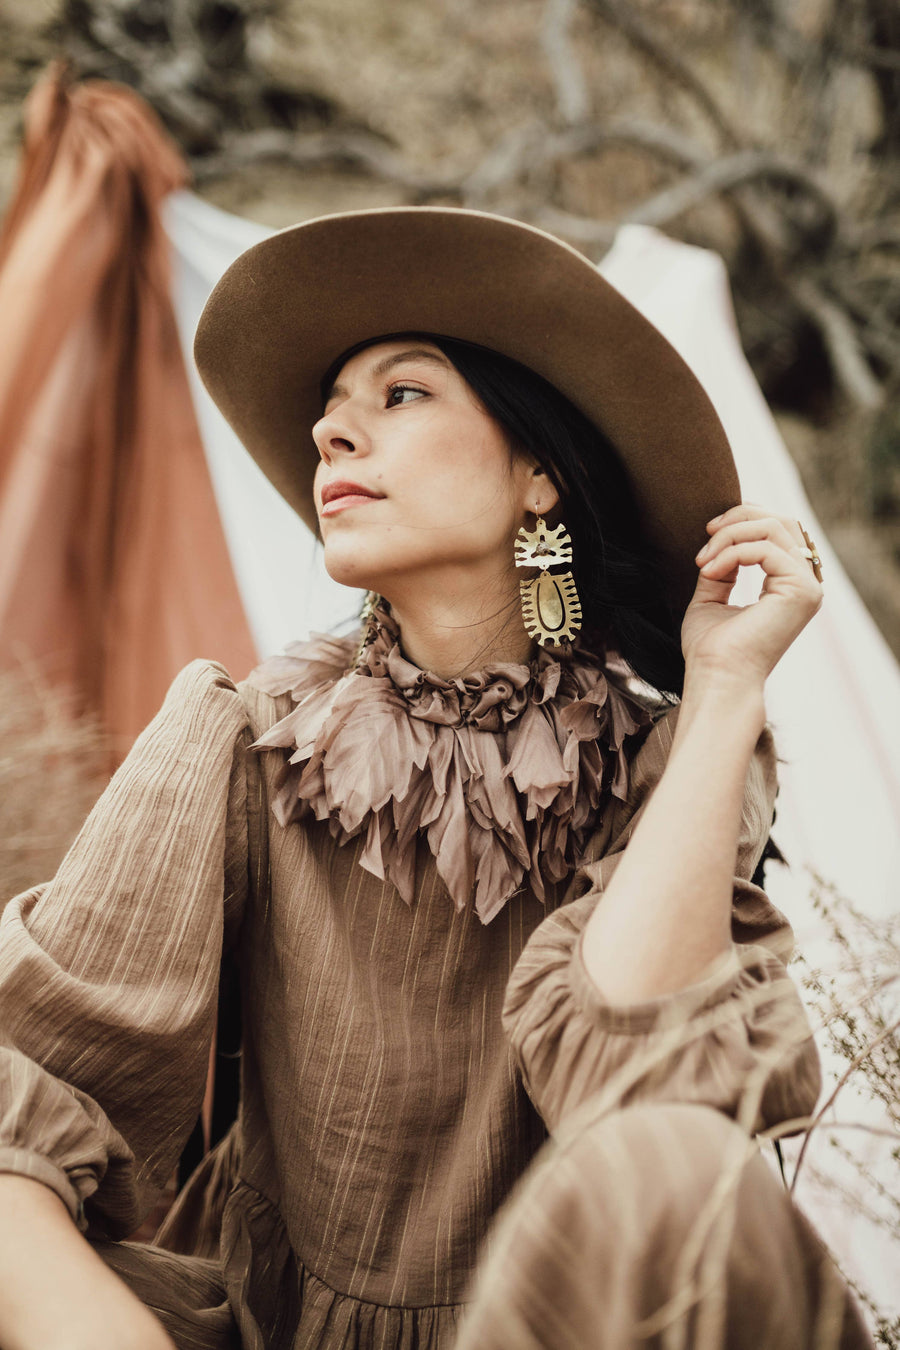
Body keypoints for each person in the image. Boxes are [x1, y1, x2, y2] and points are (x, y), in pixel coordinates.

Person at [0, 207, 869, 1350]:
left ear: (539, 478)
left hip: (575, 1324)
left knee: (681, 1170)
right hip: (275, 1333)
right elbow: (29, 1103)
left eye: (399, 395)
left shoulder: (683, 759)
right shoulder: (242, 736)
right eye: (330, 412)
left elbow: (641, 1079)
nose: (331, 435)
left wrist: (721, 691)